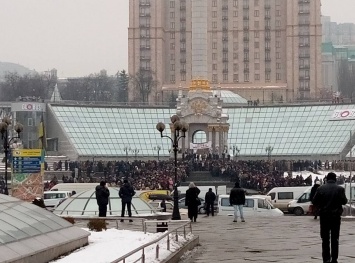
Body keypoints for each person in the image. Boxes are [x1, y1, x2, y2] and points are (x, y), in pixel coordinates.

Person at [312, 172, 347, 263]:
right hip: (336, 217)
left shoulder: (320, 188)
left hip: (324, 216)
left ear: (326, 179)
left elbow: (314, 201)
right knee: (335, 238)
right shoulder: (340, 189)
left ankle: (326, 259)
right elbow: (344, 201)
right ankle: (334, 259)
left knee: (325, 239)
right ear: (335, 179)